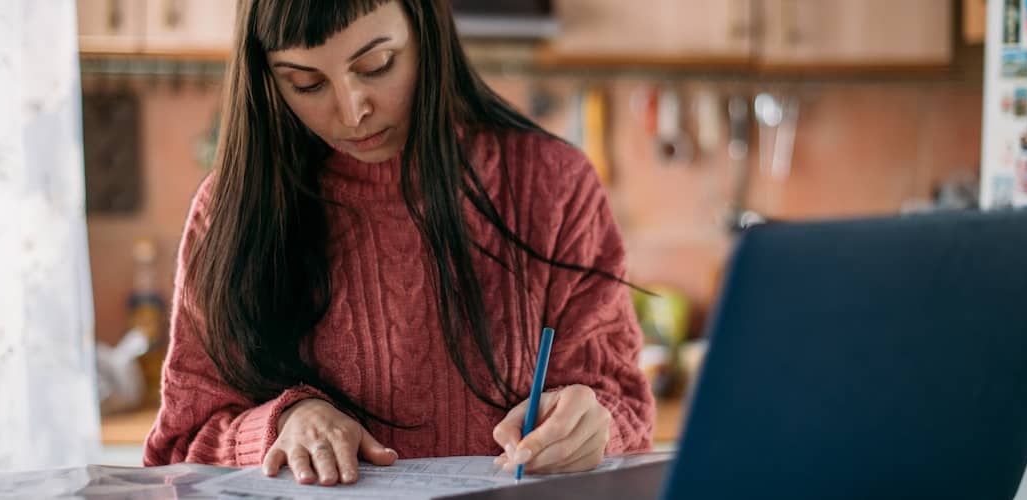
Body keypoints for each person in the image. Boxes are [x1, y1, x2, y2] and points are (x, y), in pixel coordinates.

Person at [143, 0, 654, 487]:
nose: (352, 111)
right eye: (306, 83)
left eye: (377, 65)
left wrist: (593, 428)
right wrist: (281, 426)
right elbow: (178, 448)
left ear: (427, 32)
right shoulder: (230, 210)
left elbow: (625, 410)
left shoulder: (554, 185)